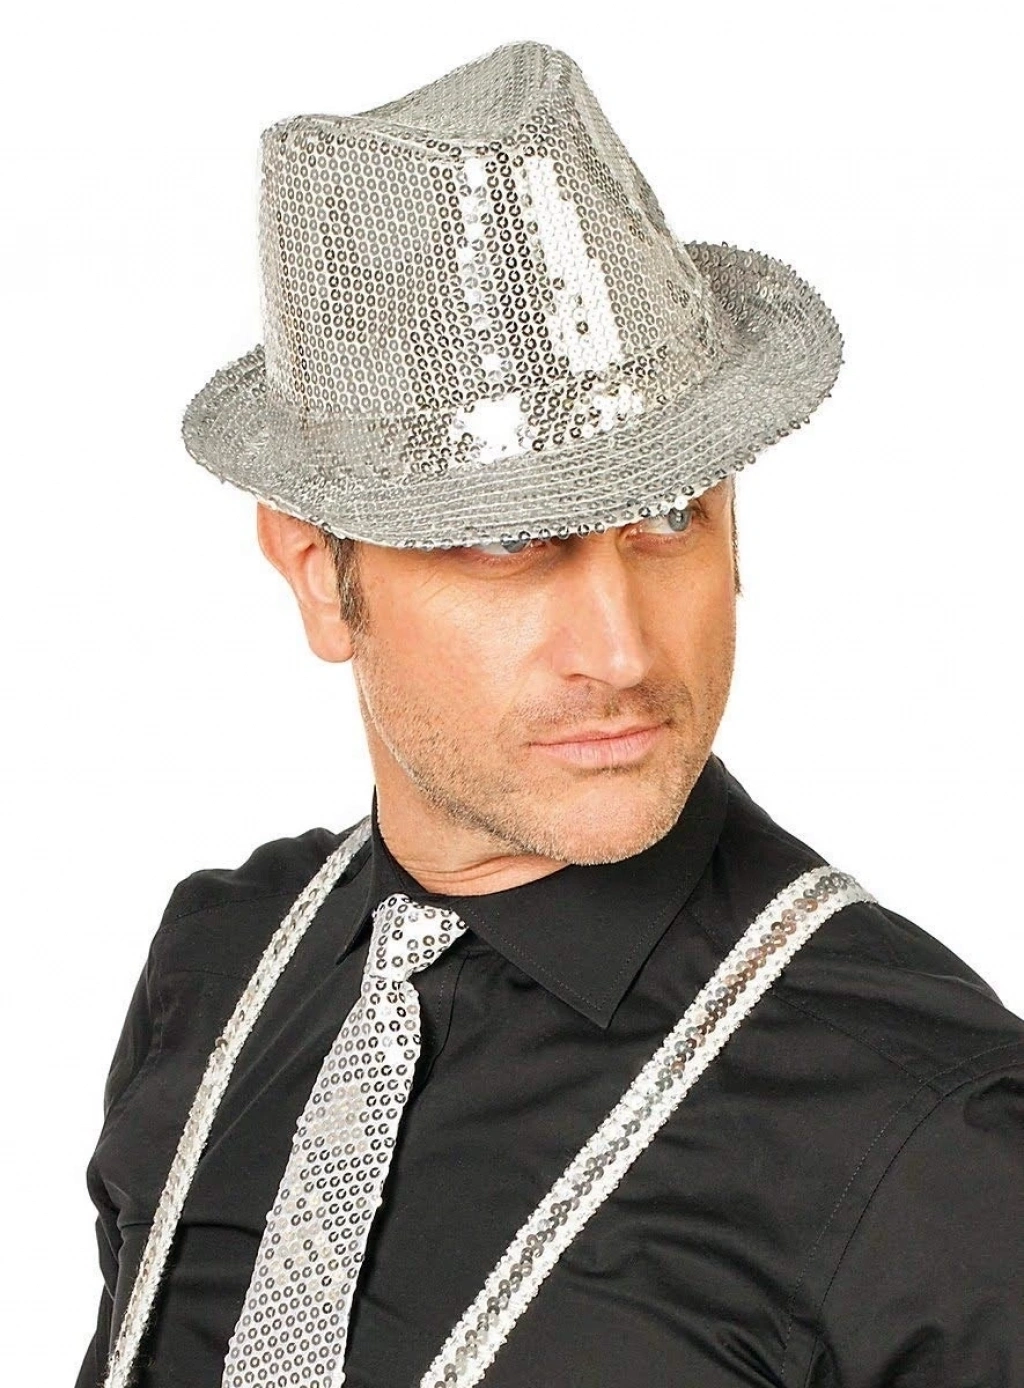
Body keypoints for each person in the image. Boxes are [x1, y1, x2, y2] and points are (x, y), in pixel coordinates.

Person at [76, 39, 1024, 1388]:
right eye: (508, 543)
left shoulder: (927, 1128)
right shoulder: (219, 967)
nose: (623, 651)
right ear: (320, 576)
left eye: (669, 516)